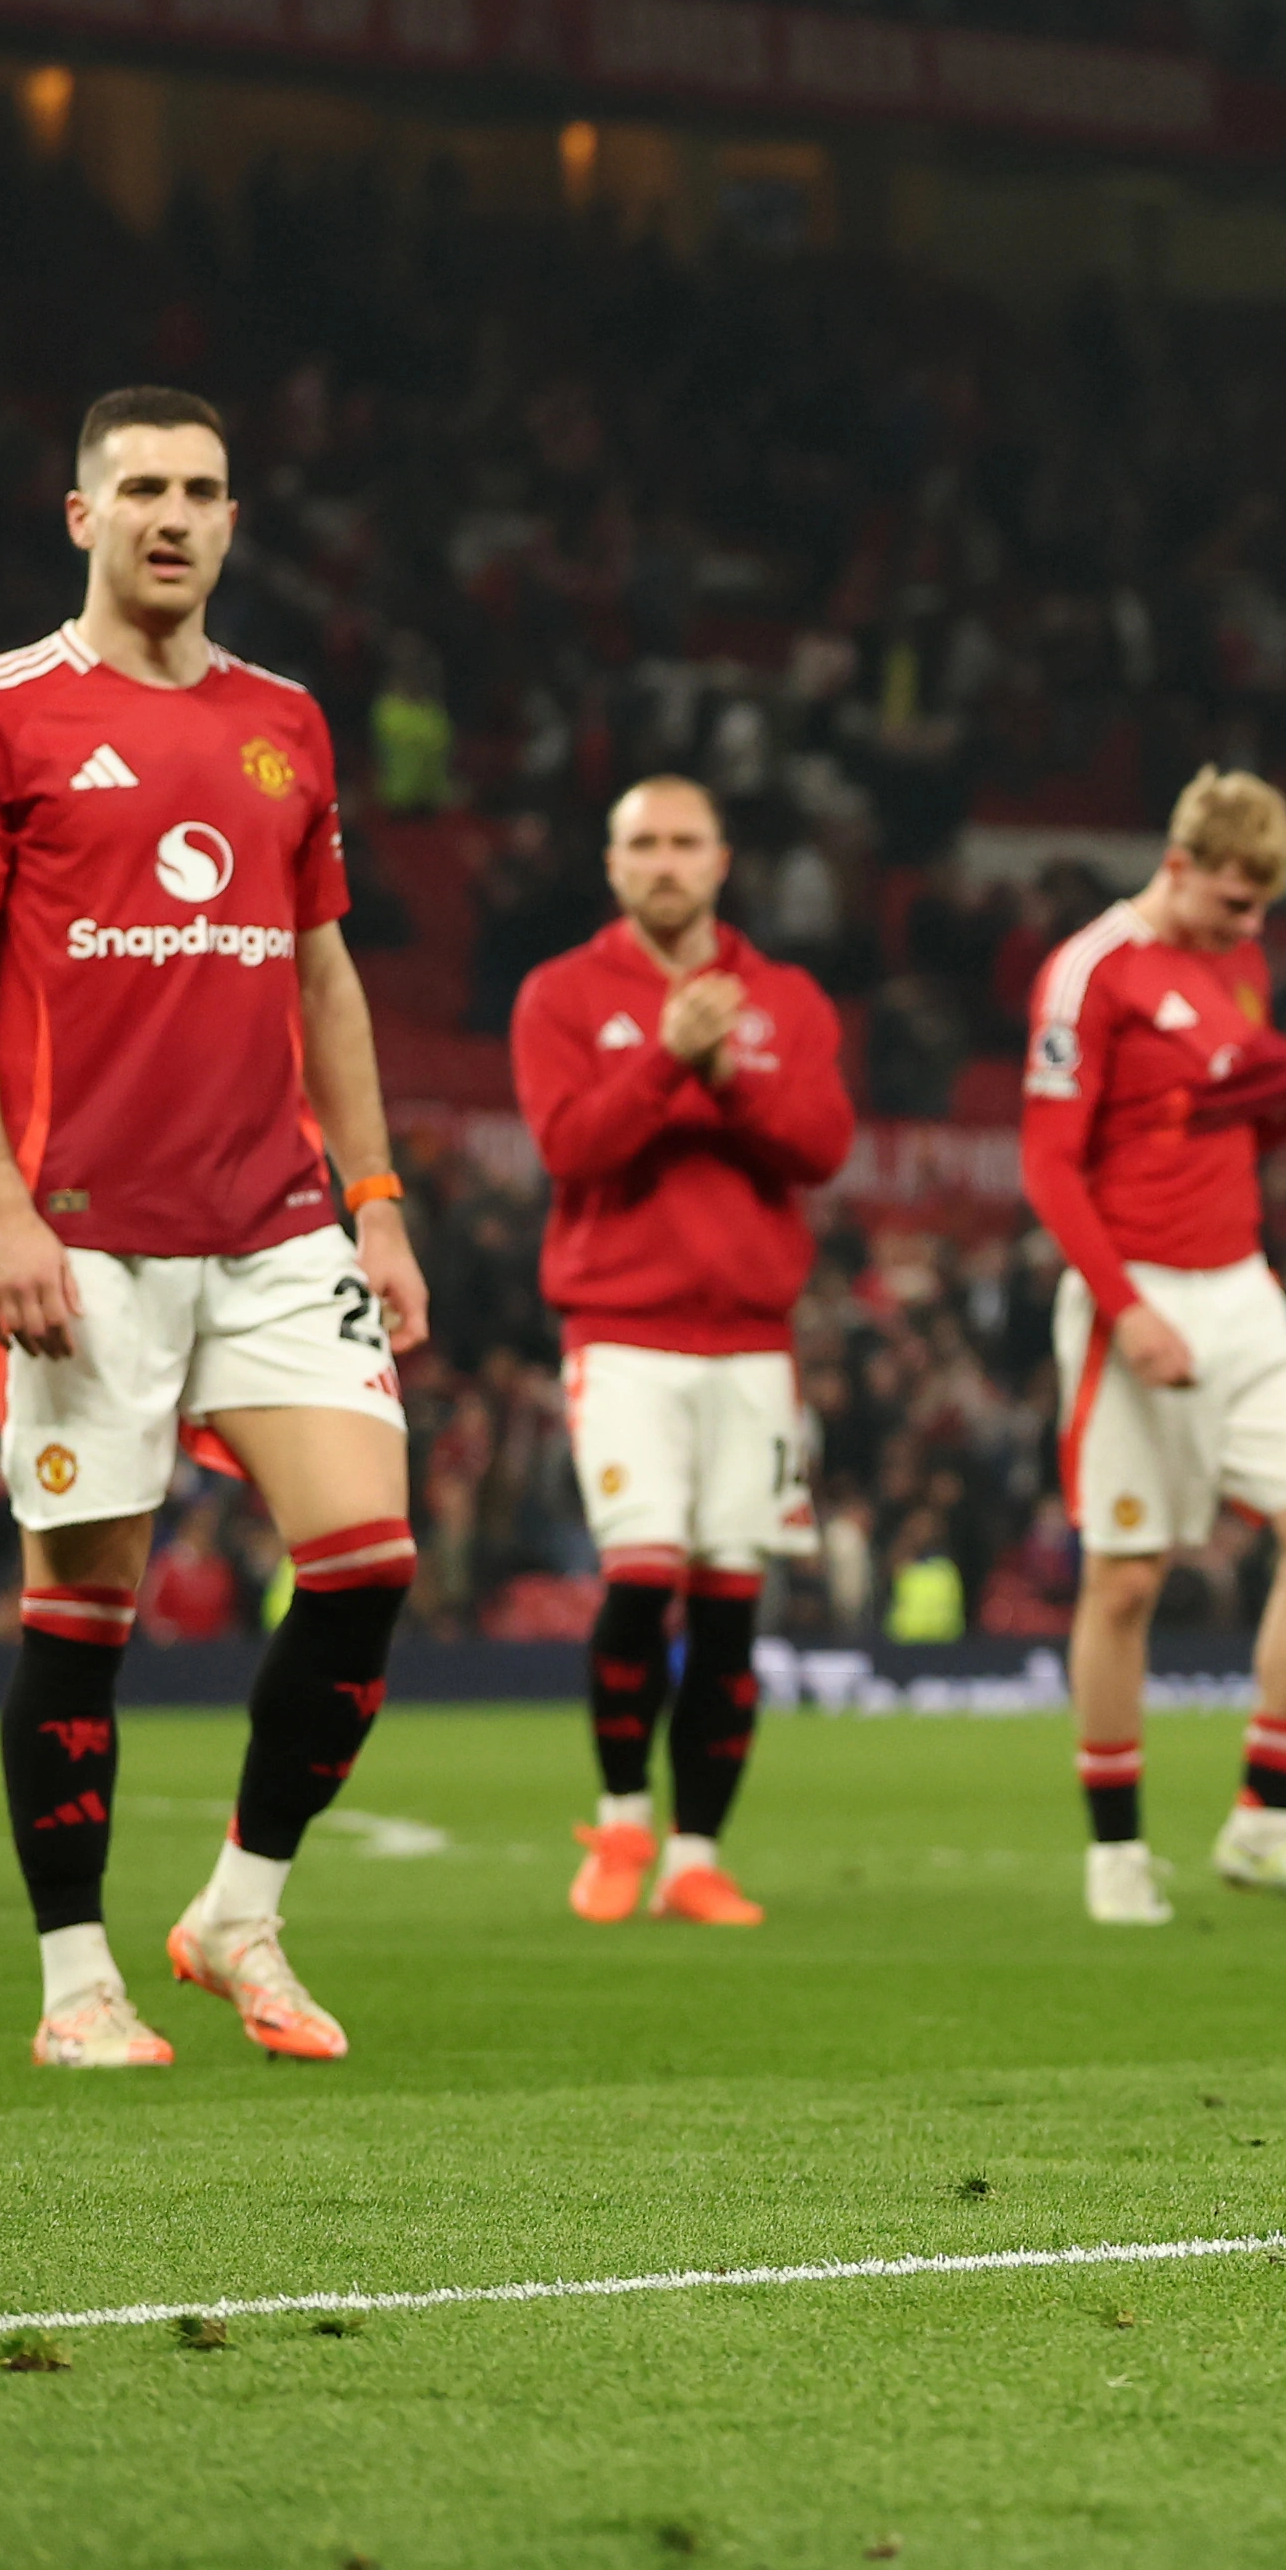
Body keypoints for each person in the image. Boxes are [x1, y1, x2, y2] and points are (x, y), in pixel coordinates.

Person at [0, 386, 430, 2070]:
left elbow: (323, 976)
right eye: (139, 488)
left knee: (365, 1560)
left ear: (232, 519)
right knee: (87, 1602)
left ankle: (236, 1914)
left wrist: (380, 1198)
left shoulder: (288, 720)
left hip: (272, 1221)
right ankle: (74, 1985)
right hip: (82, 1233)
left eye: (200, 488)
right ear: (81, 516)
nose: (171, 515)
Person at [1024, 768, 1286, 1928]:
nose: (1251, 929)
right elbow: (1048, 1163)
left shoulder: (1236, 959)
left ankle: (1264, 1819)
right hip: (1134, 1290)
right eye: (1233, 902)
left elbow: (1220, 1108)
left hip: (1239, 1283)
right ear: (1177, 865)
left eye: (1261, 908)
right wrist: (1124, 1305)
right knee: (1126, 1578)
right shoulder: (1090, 971)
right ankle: (1117, 1852)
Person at [509, 775, 854, 1928]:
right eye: (641, 843)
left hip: (753, 1346)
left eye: (683, 842)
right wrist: (664, 1058)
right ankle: (618, 1823)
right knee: (641, 1571)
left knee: (727, 1604)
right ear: (611, 865)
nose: (663, 861)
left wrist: (724, 1069)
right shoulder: (562, 993)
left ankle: (695, 1855)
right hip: (622, 1332)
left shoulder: (786, 997)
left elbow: (818, 1145)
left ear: (722, 859)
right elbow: (568, 1147)